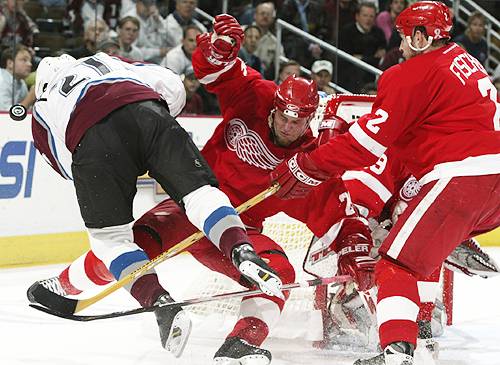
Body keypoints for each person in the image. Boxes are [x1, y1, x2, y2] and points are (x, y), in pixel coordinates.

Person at [29, 15, 377, 364]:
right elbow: (212, 73)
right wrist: (217, 51)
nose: (287, 126)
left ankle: (240, 344)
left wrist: (355, 251)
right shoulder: (255, 95)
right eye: (282, 117)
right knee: (135, 245)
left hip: (241, 231)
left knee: (279, 275)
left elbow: (339, 219)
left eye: (297, 121)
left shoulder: (309, 167)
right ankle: (63, 285)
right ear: (273, 107)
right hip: (188, 205)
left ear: (309, 119)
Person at [270, 2, 500, 364]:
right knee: (417, 245)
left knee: (397, 264)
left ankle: (396, 351)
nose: (401, 46)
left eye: (406, 37)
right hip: (491, 187)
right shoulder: (466, 62)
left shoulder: (409, 76)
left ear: (423, 37)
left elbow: (365, 145)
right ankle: (421, 326)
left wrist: (306, 164)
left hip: (458, 180)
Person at [27, 51, 284, 357]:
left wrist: (118, 169)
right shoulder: (103, 59)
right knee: (201, 194)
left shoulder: (41, 108)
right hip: (148, 110)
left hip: (91, 137)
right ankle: (242, 249)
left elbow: (65, 165)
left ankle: (159, 302)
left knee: (111, 241)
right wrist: (156, 132)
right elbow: (173, 85)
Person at [0, 44, 33, 111]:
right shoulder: (1, 80)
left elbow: (27, 111)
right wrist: (31, 97)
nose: (30, 64)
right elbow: (5, 114)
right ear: (10, 63)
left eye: (30, 61)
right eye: (24, 60)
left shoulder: (21, 83)